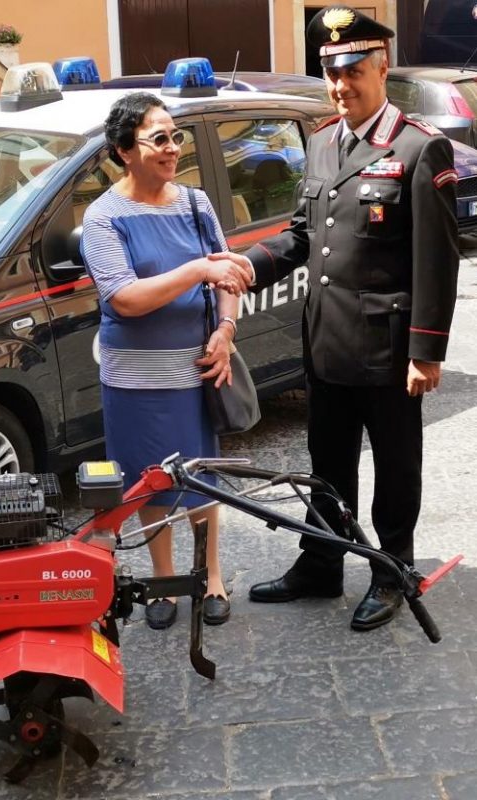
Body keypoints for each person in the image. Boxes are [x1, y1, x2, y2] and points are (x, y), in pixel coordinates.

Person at [231, 6, 459, 630]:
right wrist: (246, 265)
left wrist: (427, 351)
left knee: (395, 463)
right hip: (327, 341)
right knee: (327, 462)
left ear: (381, 67)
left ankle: (392, 569)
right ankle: (322, 563)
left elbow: (436, 260)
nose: (341, 85)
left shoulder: (416, 146)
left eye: (353, 70)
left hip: (388, 349)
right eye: (332, 73)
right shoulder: (322, 142)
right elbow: (306, 235)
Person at [80, 92, 250, 630]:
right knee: (150, 482)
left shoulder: (196, 204)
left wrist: (225, 329)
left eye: (176, 137)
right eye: (159, 138)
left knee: (201, 480)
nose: (172, 148)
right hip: (133, 377)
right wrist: (197, 270)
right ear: (124, 151)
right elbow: (125, 298)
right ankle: (162, 581)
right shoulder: (104, 216)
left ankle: (211, 576)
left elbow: (227, 277)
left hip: (197, 369)